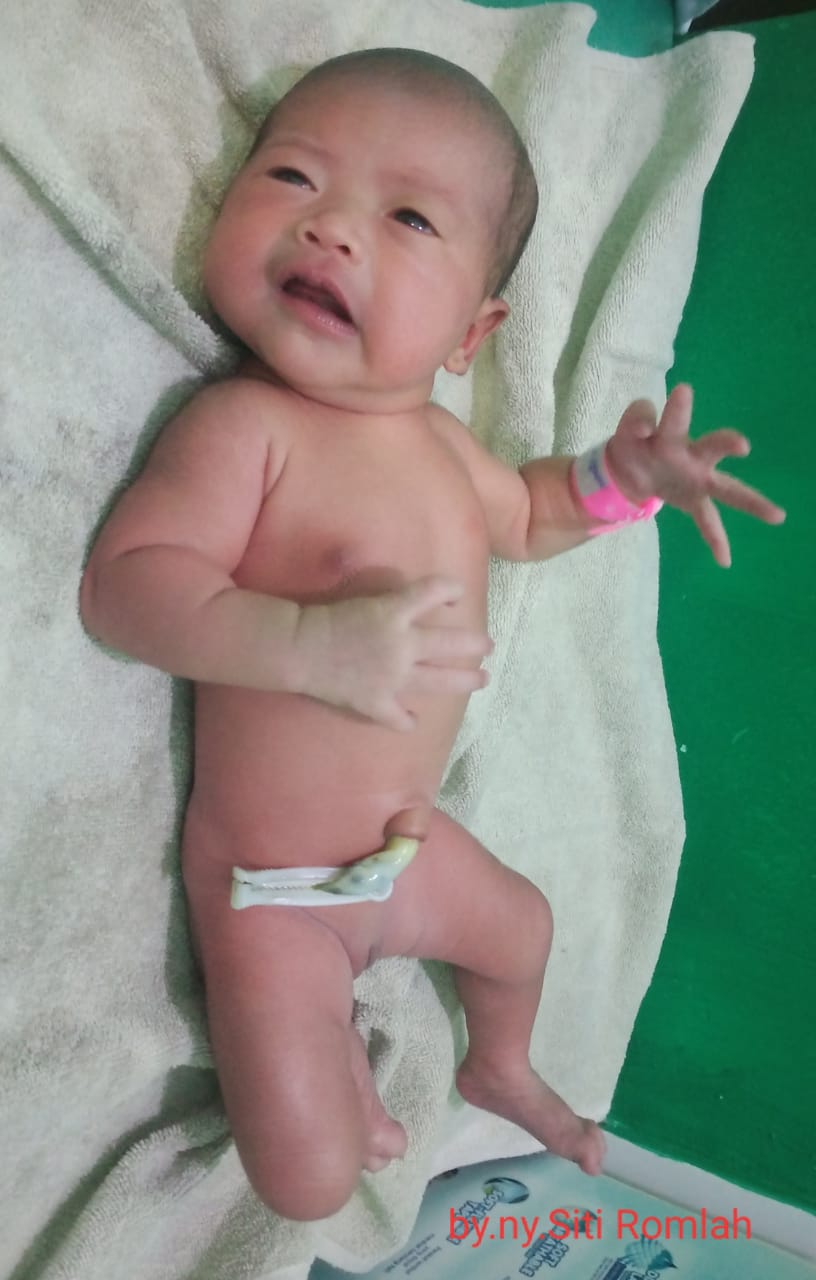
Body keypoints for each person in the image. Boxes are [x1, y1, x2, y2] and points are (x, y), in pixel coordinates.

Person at [79, 48, 785, 1221]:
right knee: (305, 1179)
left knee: (523, 925)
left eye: (407, 217)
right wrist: (304, 643)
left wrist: (628, 481)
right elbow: (127, 587)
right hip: (274, 890)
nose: (331, 229)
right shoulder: (246, 427)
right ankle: (335, 1067)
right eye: (293, 177)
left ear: (471, 332)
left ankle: (497, 1061)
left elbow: (534, 514)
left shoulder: (446, 448)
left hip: (411, 853)